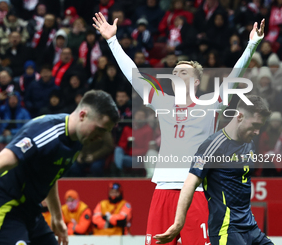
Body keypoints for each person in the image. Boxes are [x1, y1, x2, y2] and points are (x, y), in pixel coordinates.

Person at [93, 12, 265, 245]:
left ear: (196, 81)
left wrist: (252, 44)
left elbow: (236, 74)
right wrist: (112, 41)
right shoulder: (161, 101)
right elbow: (134, 75)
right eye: (174, 72)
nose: (176, 74)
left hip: (196, 192)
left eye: (183, 72)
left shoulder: (212, 102)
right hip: (163, 189)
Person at [0, 89, 119, 245]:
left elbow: (49, 176)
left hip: (29, 210)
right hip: (0, 206)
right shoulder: (46, 132)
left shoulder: (77, 141)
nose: (101, 137)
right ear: (83, 115)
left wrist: (57, 217)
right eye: (100, 130)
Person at [154, 95, 274, 245]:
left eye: (260, 127)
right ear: (240, 116)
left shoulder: (249, 144)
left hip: (251, 228)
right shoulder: (213, 145)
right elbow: (189, 184)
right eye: (255, 125)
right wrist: (178, 223)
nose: (257, 132)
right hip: (226, 231)